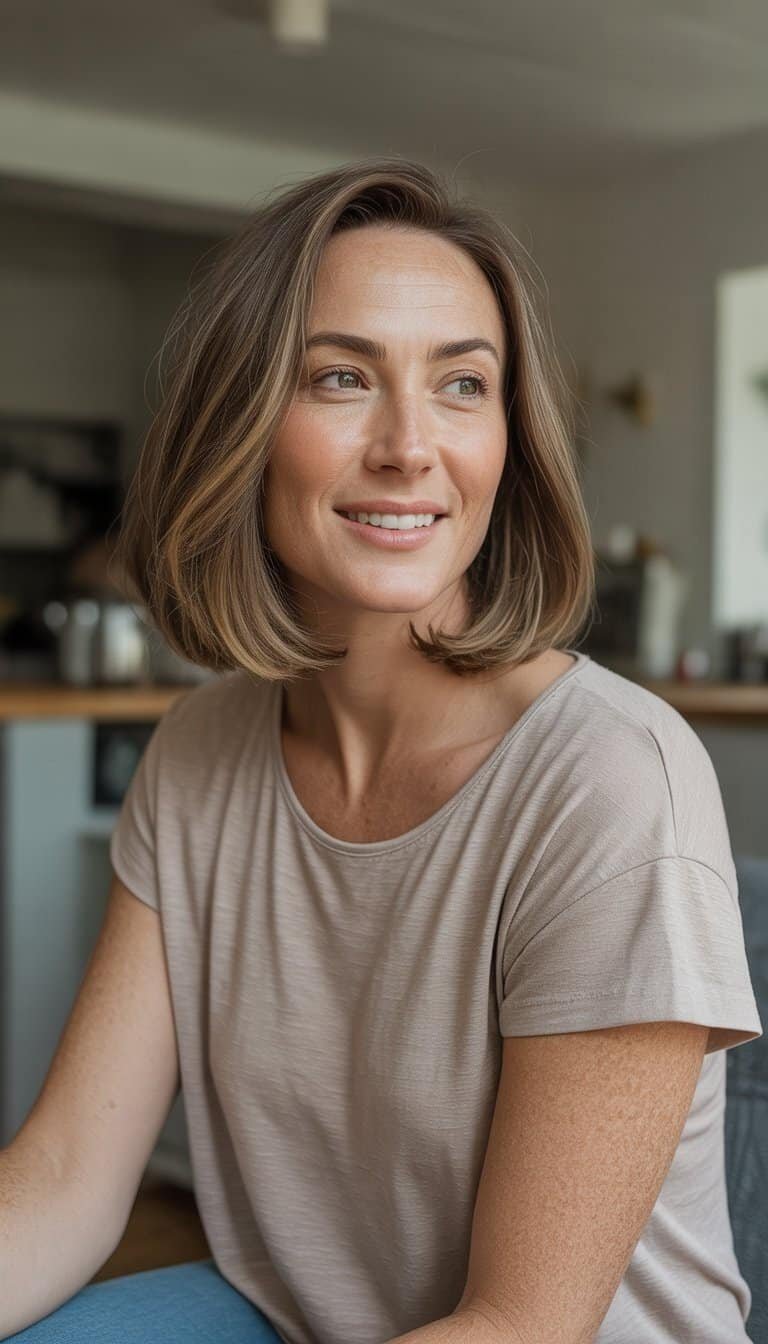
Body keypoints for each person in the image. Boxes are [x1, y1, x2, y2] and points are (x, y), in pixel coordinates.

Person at [1, 157, 762, 1344]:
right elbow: (62, 1179)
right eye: (342, 377)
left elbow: (521, 1325)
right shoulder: (200, 752)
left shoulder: (611, 781)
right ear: (242, 425)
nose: (410, 447)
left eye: (462, 384)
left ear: (509, 441)